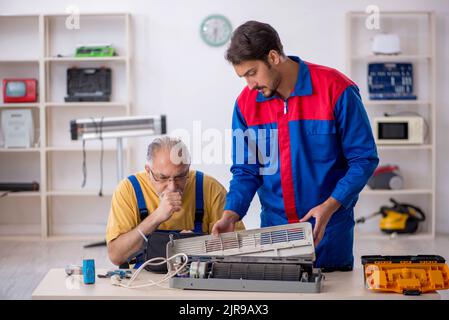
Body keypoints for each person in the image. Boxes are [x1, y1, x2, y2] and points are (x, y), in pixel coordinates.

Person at [212, 21, 378, 271]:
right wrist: (231, 214)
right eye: (243, 77)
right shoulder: (246, 104)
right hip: (273, 234)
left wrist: (331, 205)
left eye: (252, 73)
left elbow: (363, 159)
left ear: (273, 57)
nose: (250, 85)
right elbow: (246, 170)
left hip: (328, 231)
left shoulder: (335, 88)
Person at [106, 136, 244, 266]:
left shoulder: (210, 188)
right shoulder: (129, 190)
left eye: (180, 177)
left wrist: (195, 245)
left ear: (188, 169)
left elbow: (240, 248)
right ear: (148, 171)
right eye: (162, 178)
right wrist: (155, 218)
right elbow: (116, 256)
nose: (172, 187)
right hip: (141, 282)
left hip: (195, 280)